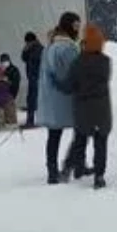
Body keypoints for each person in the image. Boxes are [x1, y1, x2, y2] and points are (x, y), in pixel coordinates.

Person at [66, 23, 113, 189]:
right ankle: (99, 176)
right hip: (102, 111)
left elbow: (69, 85)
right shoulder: (106, 62)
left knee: (80, 140)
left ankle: (72, 168)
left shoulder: (78, 63)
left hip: (83, 110)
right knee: (101, 144)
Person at [39, 12, 83, 183]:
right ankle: (77, 165)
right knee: (81, 132)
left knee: (54, 135)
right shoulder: (68, 48)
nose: (78, 30)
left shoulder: (49, 47)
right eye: (76, 26)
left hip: (50, 98)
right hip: (67, 97)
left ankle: (52, 171)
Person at [21, 32, 43, 128]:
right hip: (32, 77)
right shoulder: (31, 48)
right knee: (31, 99)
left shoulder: (38, 48)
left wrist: (26, 51)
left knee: (33, 99)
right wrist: (25, 50)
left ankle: (31, 121)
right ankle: (31, 120)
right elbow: (24, 58)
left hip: (36, 77)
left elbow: (34, 61)